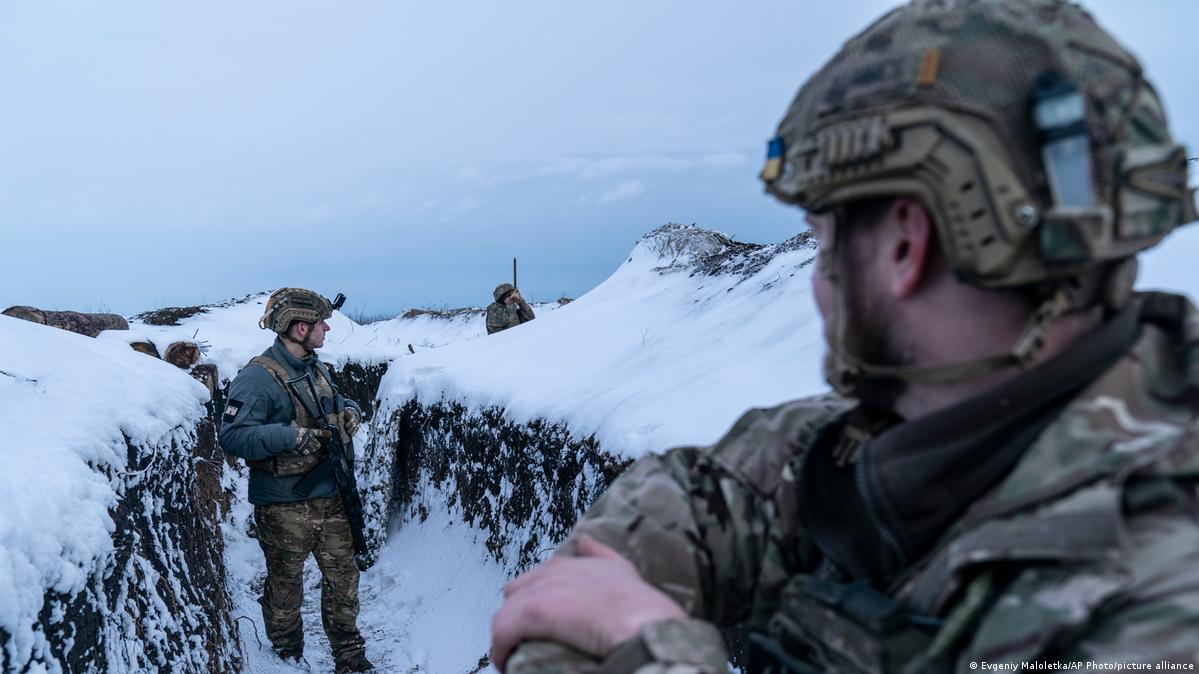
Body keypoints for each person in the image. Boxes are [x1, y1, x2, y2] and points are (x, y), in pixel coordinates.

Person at [490, 1, 1199, 671]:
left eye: (825, 243)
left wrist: (644, 647)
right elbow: (699, 495)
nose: (819, 281)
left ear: (902, 247)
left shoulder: (1162, 602)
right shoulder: (905, 447)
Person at [220, 287, 374, 674]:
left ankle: (350, 657)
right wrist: (290, 437)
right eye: (321, 323)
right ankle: (285, 653)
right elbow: (233, 436)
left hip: (333, 496)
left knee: (344, 580)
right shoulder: (257, 378)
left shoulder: (316, 368)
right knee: (286, 586)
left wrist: (351, 411)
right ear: (299, 327)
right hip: (284, 504)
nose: (326, 329)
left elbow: (336, 402)